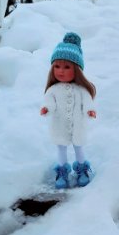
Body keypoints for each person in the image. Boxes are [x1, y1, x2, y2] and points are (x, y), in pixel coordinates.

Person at [40, 32, 97, 188]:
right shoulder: (53, 90)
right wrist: (47, 108)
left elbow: (87, 101)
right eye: (57, 66)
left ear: (77, 69)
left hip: (78, 125)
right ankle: (62, 171)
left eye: (67, 67)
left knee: (79, 147)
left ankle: (82, 169)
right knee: (61, 148)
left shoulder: (81, 89)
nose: (61, 71)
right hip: (59, 125)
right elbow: (49, 101)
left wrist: (90, 110)